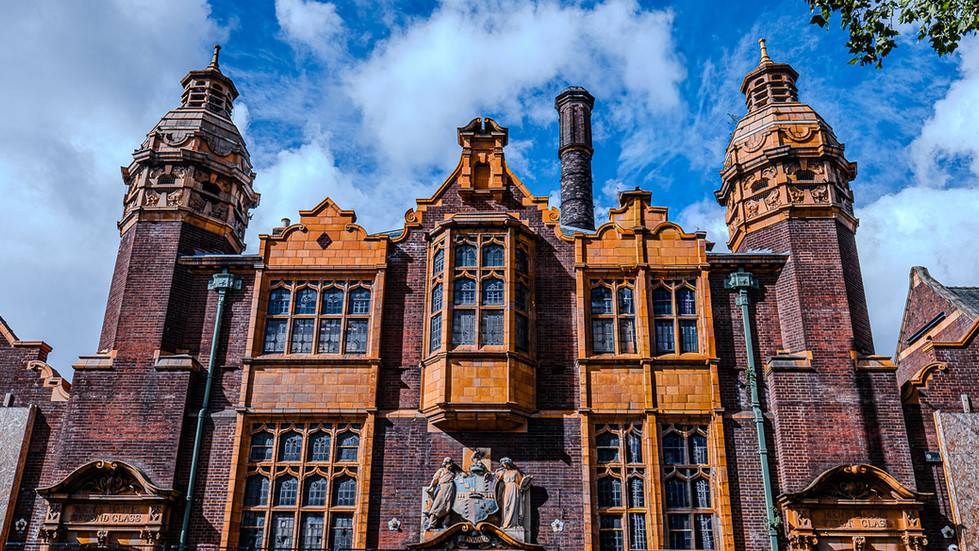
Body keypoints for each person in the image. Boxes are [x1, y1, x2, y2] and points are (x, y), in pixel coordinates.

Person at [494, 457, 532, 529]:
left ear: (508, 463)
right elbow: (497, 476)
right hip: (506, 489)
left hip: (514, 489)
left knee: (513, 506)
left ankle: (513, 524)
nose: (503, 465)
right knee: (505, 506)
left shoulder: (516, 472)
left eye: (504, 463)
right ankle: (505, 522)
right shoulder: (503, 472)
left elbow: (521, 482)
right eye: (502, 464)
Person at [426, 457, 457, 528]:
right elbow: (435, 480)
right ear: (445, 464)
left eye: (451, 463)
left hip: (450, 490)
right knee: (436, 505)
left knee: (448, 507)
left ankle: (445, 523)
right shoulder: (441, 470)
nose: (450, 465)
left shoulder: (452, 474)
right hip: (442, 489)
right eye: (448, 463)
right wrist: (430, 487)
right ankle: (431, 524)